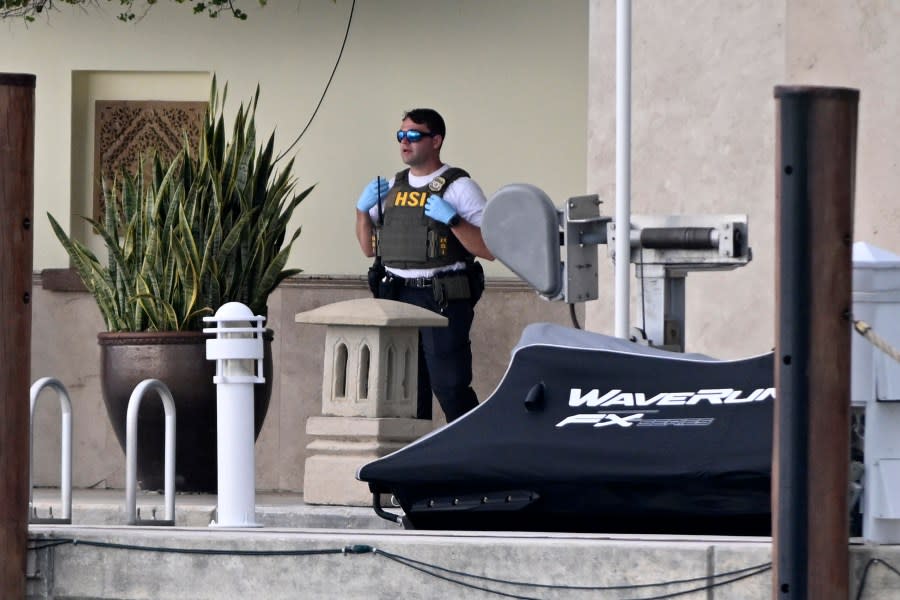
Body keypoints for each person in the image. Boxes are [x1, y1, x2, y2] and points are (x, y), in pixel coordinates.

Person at [355, 108, 494, 423]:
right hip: (397, 295)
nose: (405, 142)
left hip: (441, 297)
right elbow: (368, 248)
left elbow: (488, 248)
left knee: (450, 386)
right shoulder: (392, 187)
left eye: (414, 135)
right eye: (401, 135)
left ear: (436, 141)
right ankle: (411, 468)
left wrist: (454, 220)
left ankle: (468, 460)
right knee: (404, 391)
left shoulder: (459, 187)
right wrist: (362, 211)